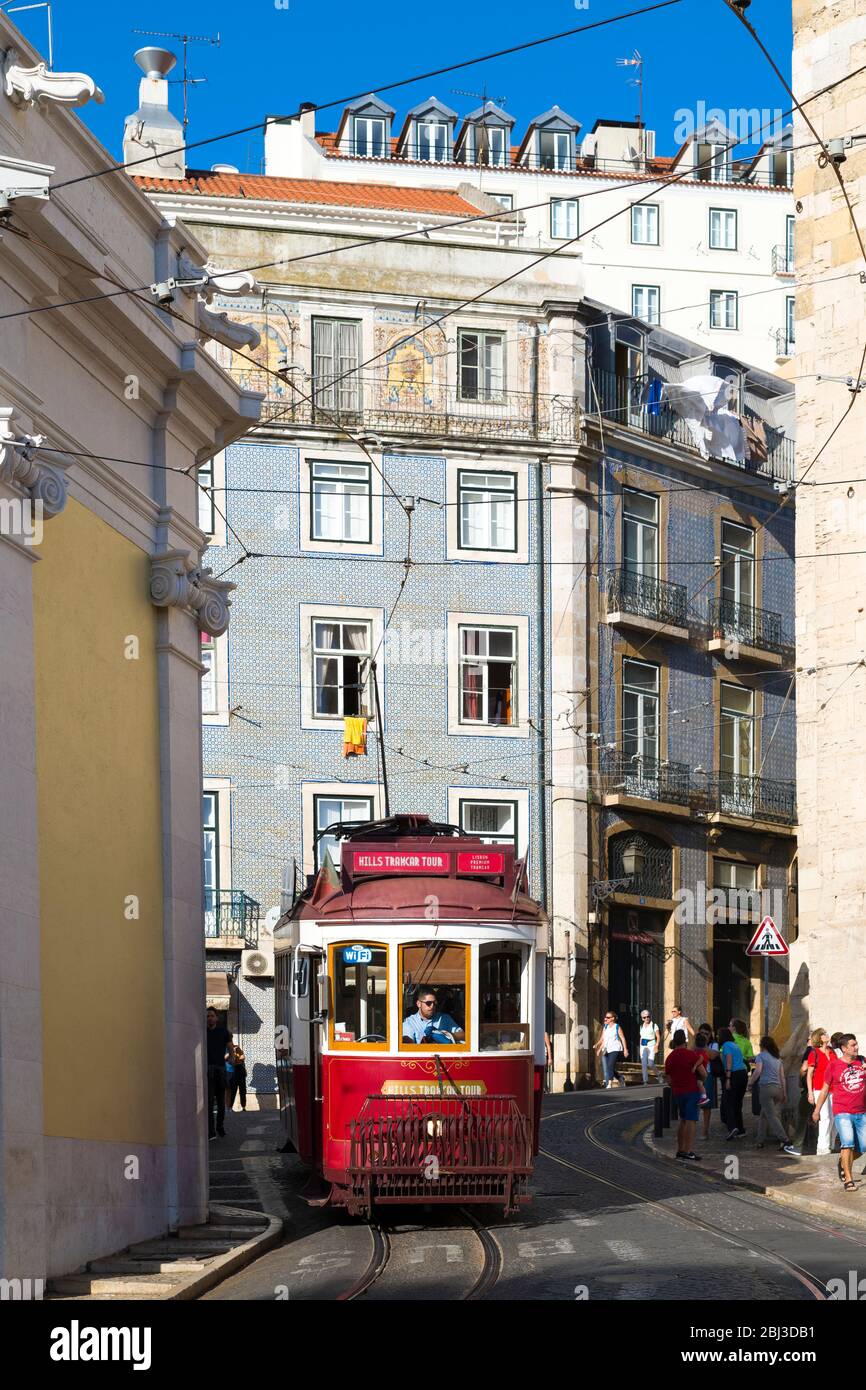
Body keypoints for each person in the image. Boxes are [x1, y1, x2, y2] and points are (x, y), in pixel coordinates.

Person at [812, 1033, 866, 1192]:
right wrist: (817, 1110)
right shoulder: (834, 1066)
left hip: (861, 1111)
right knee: (847, 1142)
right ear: (844, 1048)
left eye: (856, 1044)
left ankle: (842, 1162)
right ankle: (848, 1180)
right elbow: (825, 1089)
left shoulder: (862, 1061)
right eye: (853, 1045)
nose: (856, 1047)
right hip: (842, 1111)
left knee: (863, 1147)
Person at [750, 1035, 800, 1156]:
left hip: (766, 1088)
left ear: (762, 1046)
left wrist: (750, 1082)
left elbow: (758, 1071)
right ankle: (760, 1140)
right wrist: (783, 1093)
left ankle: (786, 1140)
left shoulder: (760, 1056)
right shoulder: (777, 1059)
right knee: (764, 1114)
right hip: (777, 1089)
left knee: (771, 1116)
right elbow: (782, 1077)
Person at [664, 1029, 707, 1162]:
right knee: (691, 1121)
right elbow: (704, 1073)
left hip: (678, 1092)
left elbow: (669, 1080)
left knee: (682, 1120)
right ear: (685, 1041)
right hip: (692, 1091)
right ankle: (688, 1151)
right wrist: (700, 1082)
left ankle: (680, 1150)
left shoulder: (669, 1058)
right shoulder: (691, 1055)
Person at [805, 1029, 836, 1156]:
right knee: (826, 1117)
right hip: (819, 1088)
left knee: (834, 1118)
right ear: (819, 1037)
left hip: (834, 1088)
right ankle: (822, 1148)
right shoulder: (814, 1053)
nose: (827, 1035)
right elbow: (809, 1074)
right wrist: (810, 1093)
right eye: (824, 1034)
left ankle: (831, 1144)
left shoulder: (832, 1051)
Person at [206, 1007, 233, 1140]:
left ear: (216, 1018)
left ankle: (220, 1127)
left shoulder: (224, 1032)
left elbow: (230, 1047)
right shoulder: (202, 1032)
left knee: (221, 1102)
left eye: (211, 1015)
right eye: (207, 1016)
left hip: (221, 1070)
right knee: (209, 1102)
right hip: (208, 1071)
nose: (209, 1018)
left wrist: (232, 1059)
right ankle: (211, 1132)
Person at [718, 1026, 748, 1138]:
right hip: (743, 1074)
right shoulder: (735, 1045)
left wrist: (728, 1079)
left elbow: (729, 1060)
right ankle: (740, 1129)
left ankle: (732, 1127)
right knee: (737, 1103)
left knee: (727, 1102)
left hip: (733, 1075)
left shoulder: (726, 1046)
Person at [695, 1027, 720, 1139]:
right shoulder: (695, 1044)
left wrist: (703, 1045)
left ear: (711, 1034)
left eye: (706, 1033)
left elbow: (712, 1056)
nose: (704, 1035)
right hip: (696, 1076)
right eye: (702, 1033)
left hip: (708, 1075)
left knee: (706, 1105)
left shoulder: (714, 1045)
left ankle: (705, 1131)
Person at [595, 1010, 628, 1088]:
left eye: (608, 1017)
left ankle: (609, 1083)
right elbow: (603, 1039)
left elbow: (623, 1038)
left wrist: (625, 1049)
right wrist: (598, 1047)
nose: (605, 1019)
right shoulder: (605, 1027)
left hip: (615, 1048)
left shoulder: (617, 1027)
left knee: (610, 1065)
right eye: (605, 1017)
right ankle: (620, 1077)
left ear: (613, 1018)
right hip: (606, 1049)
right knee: (608, 1067)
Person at [639, 1010, 661, 1085]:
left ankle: (659, 1075)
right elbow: (641, 1037)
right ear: (642, 1018)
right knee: (644, 1063)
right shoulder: (641, 1026)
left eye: (648, 1016)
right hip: (643, 1046)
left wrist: (657, 1045)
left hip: (652, 1045)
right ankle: (645, 1081)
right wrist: (640, 1048)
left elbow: (658, 1036)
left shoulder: (654, 1025)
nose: (647, 1018)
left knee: (650, 1063)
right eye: (645, 1017)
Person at [228, 1043, 247, 1111]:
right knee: (233, 1091)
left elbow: (243, 1057)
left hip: (240, 1070)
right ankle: (230, 1107)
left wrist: (236, 1054)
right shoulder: (228, 1049)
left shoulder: (237, 1048)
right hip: (234, 1071)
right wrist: (233, 1053)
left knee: (243, 1090)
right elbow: (229, 1059)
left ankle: (243, 1106)